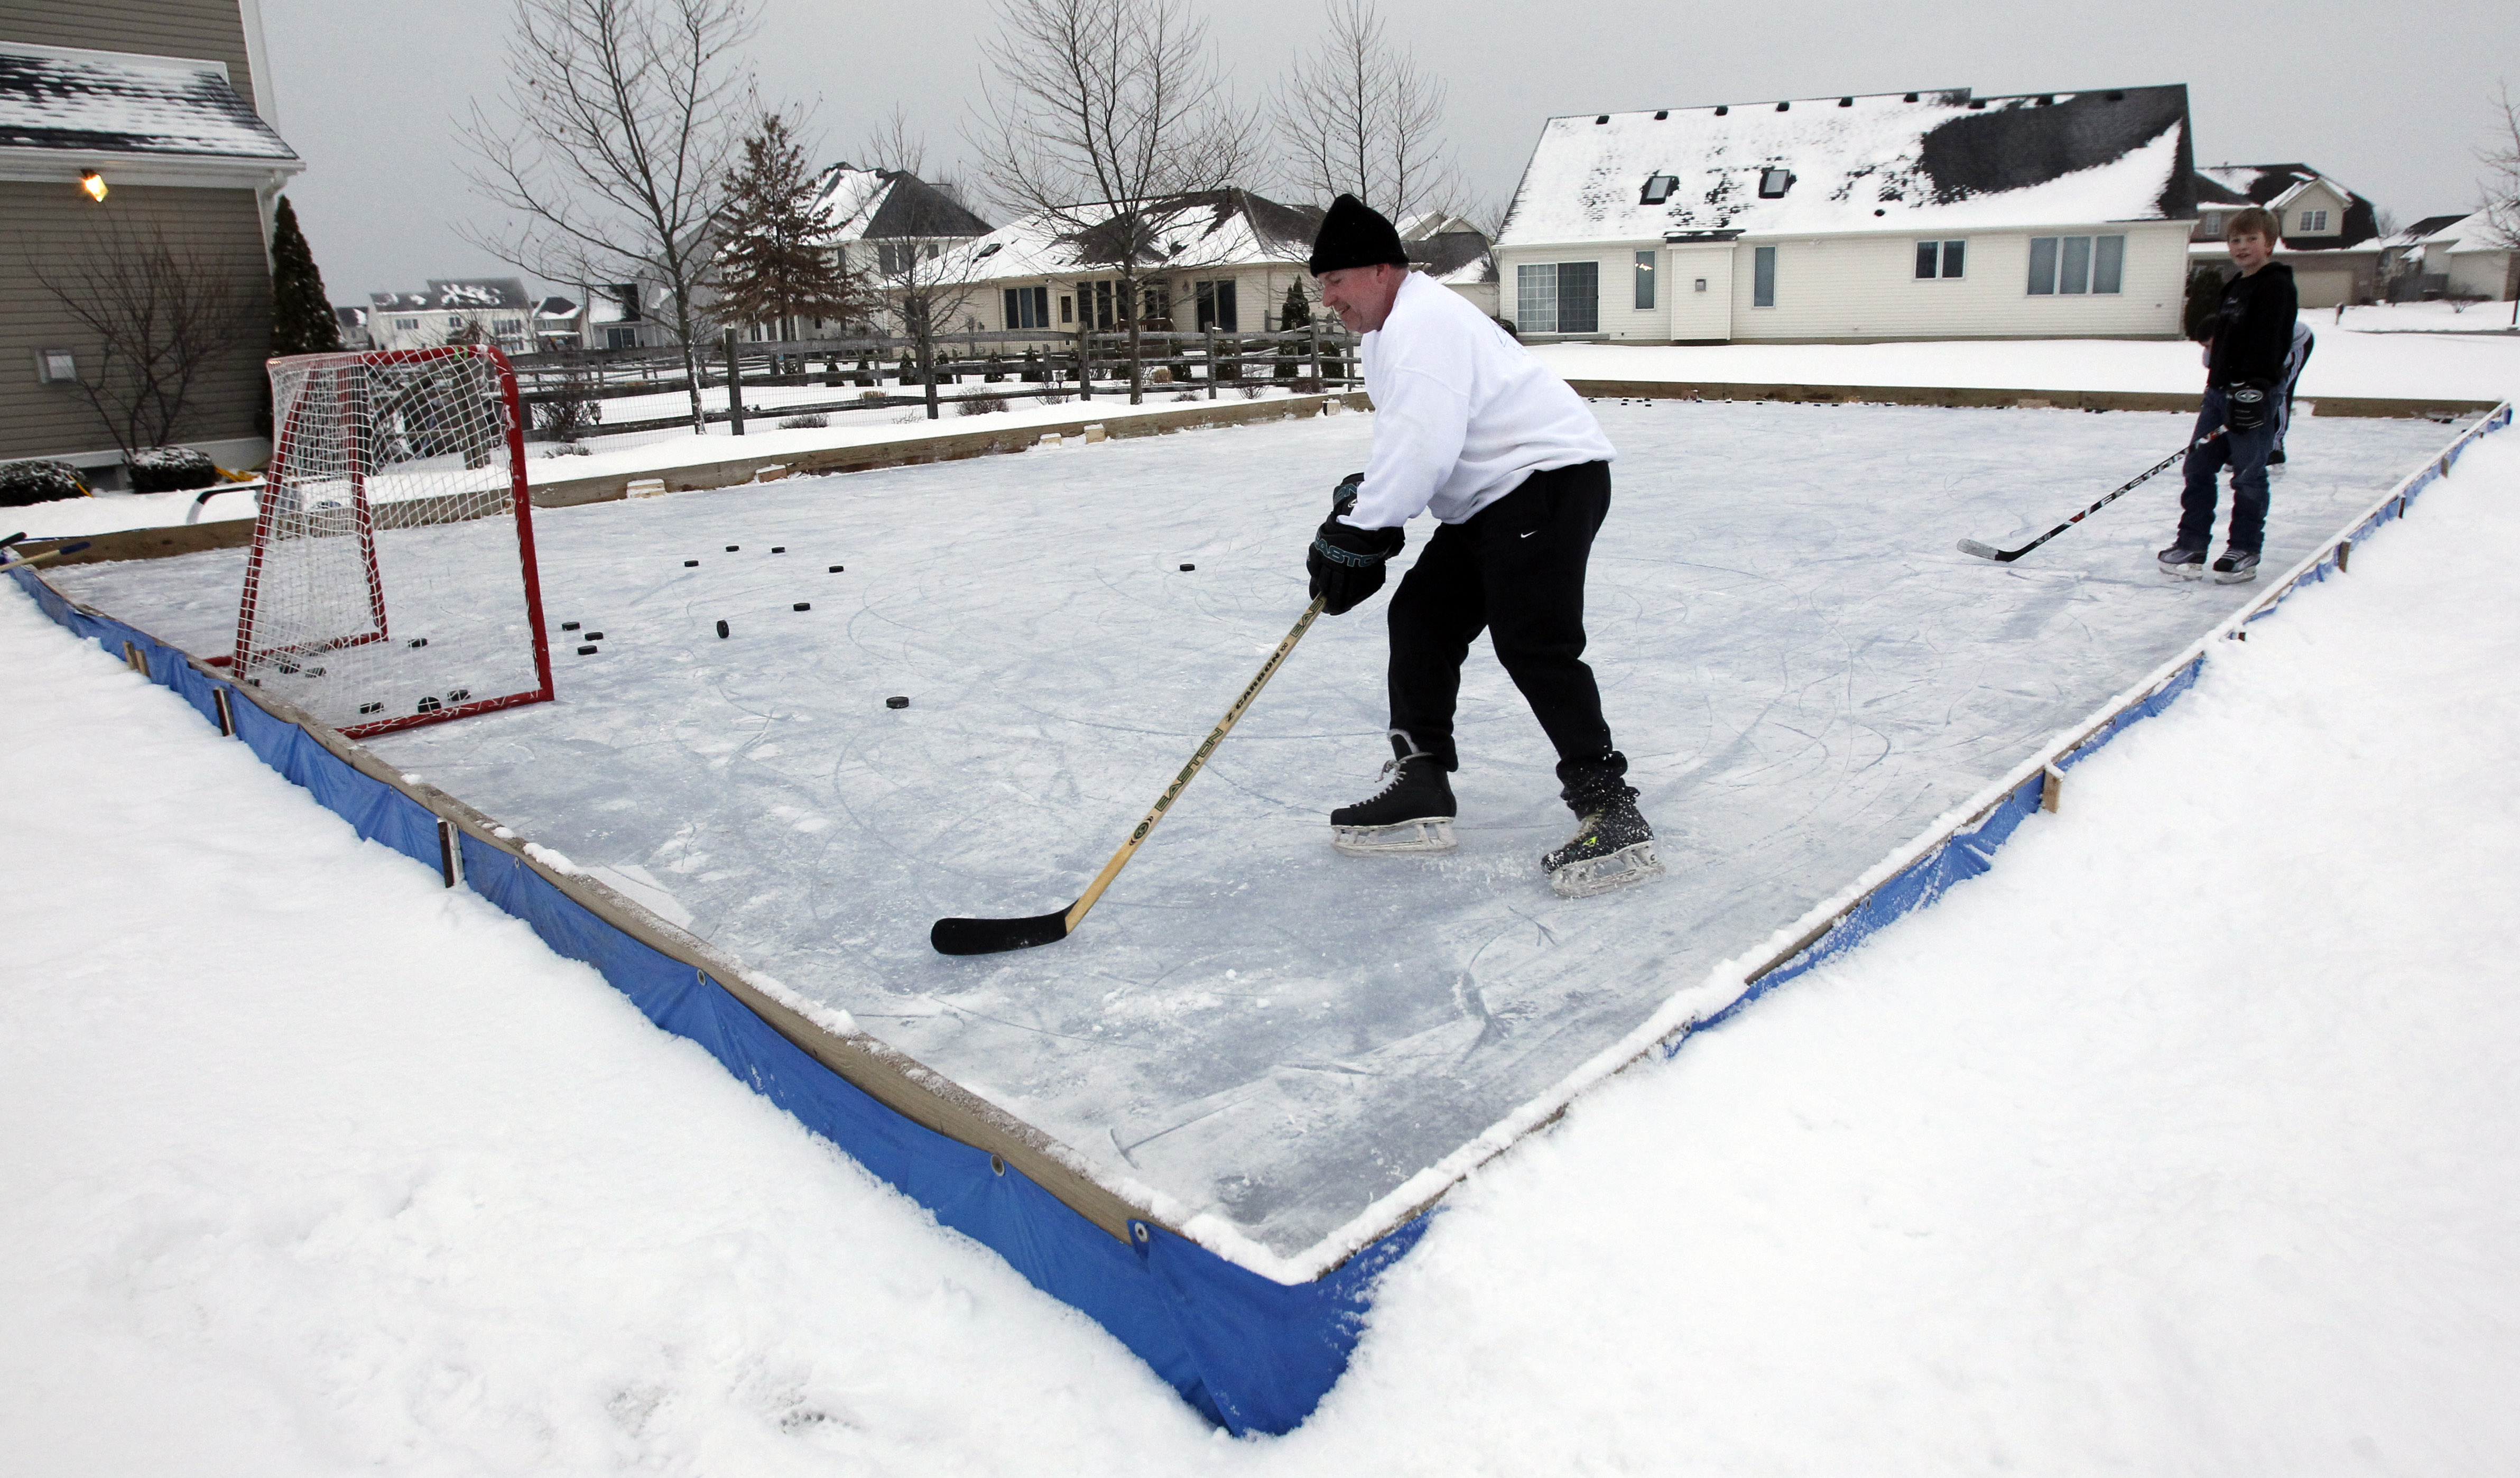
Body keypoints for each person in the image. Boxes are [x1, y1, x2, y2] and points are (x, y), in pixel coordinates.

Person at [1300, 194, 1661, 899]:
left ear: (1382, 270)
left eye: (1337, 281)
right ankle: (1422, 779)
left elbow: (1425, 446)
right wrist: (1368, 501)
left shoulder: (1421, 324)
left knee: (1534, 639)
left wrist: (1361, 530)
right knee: (1422, 617)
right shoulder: (1392, 330)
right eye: (1322, 287)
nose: (1330, 299)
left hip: (1543, 482)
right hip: (1494, 496)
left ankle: (1610, 806)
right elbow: (1411, 440)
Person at [2161, 207, 2299, 583]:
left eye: (2251, 239)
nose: (2241, 246)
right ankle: (2192, 544)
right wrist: (2217, 385)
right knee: (2199, 466)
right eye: (2235, 240)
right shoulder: (2234, 287)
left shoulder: (2276, 286)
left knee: (2248, 475)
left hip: (2254, 395)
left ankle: (2244, 549)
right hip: (2220, 394)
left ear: (2269, 243)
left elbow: (2271, 341)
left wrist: (2254, 389)